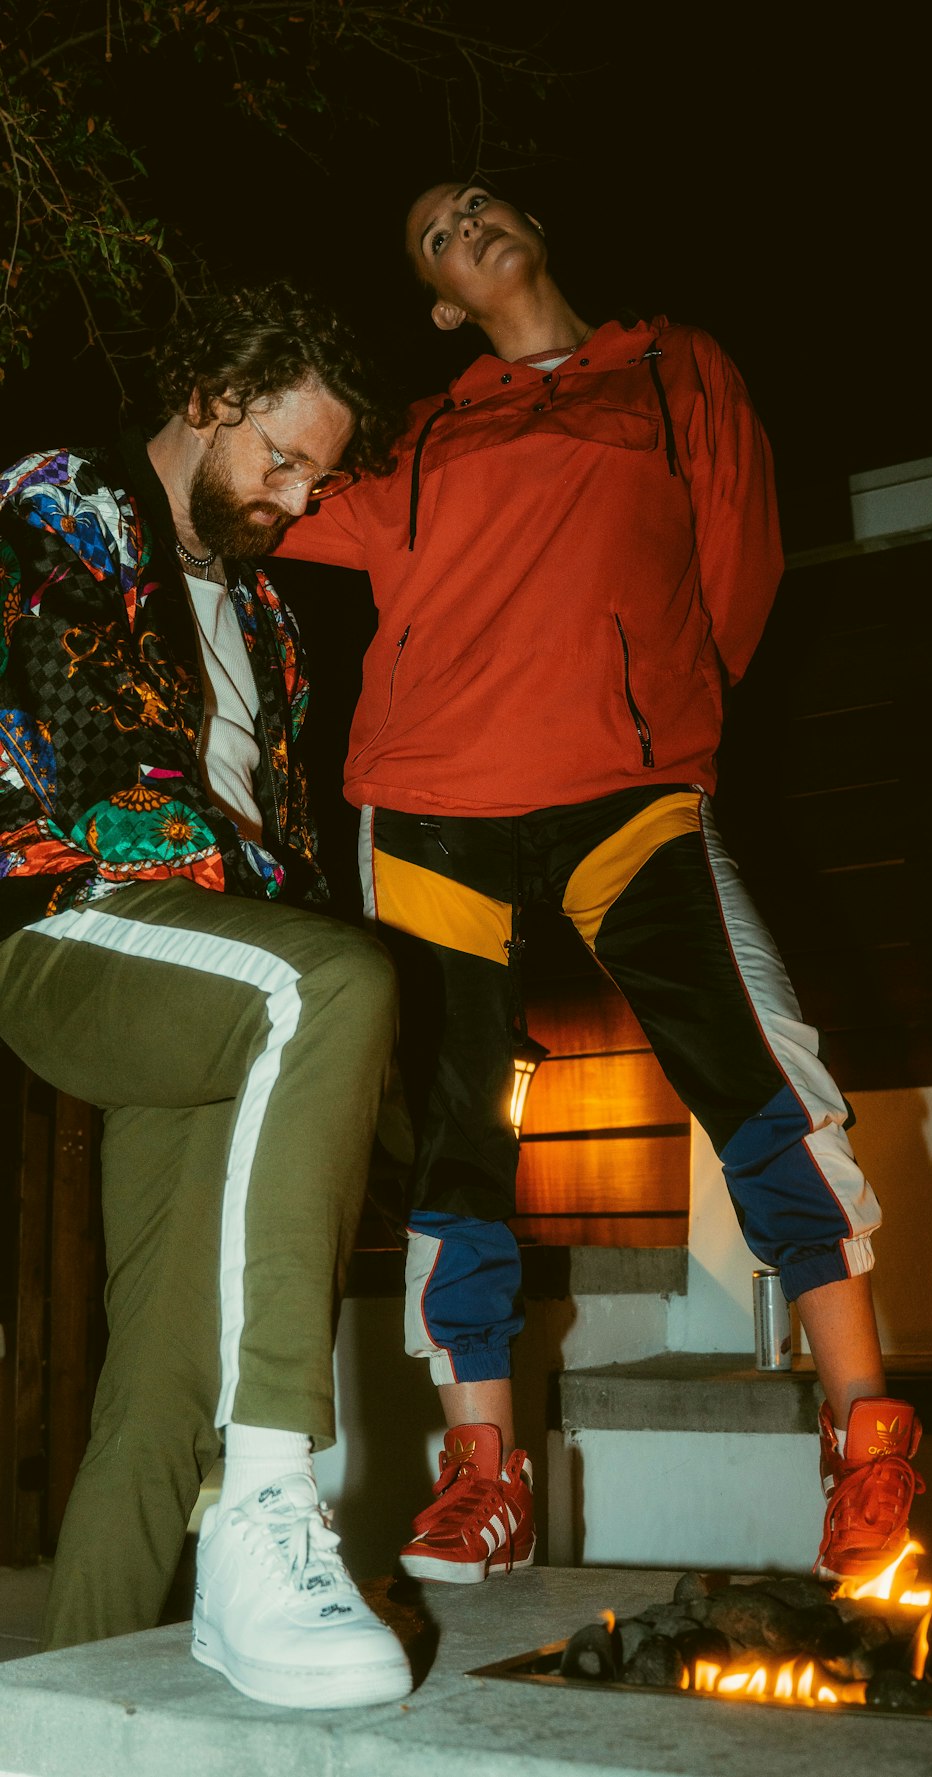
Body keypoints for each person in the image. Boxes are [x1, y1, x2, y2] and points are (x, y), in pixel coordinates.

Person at [277, 180, 924, 1588]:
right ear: (443, 303)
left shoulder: (675, 367)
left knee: (760, 1065)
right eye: (439, 233)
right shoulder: (422, 438)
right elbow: (264, 495)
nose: (470, 224)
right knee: (454, 1122)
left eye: (480, 204)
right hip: (432, 797)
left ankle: (867, 1436)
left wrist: (650, 716)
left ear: (535, 230)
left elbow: (732, 574)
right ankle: (484, 1473)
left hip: (626, 787)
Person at [0, 284, 414, 1709]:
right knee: (337, 980)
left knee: (163, 1389)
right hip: (72, 924)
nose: (298, 499)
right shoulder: (65, 510)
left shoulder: (271, 627)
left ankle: (52, 1718)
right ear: (211, 398)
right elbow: (99, 767)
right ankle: (275, 1496)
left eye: (318, 476)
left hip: (218, 981)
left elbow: (283, 841)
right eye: (282, 460)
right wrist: (289, 928)